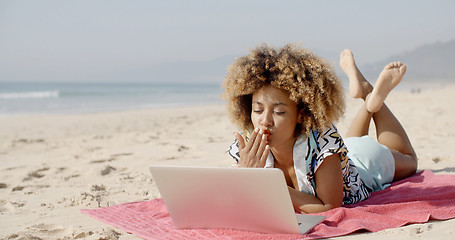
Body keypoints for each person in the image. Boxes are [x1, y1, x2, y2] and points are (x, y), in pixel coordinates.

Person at [222, 44, 417, 214]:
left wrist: (262, 181)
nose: (265, 121)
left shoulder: (323, 145)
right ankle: (367, 98)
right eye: (257, 110)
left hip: (366, 162)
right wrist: (246, 176)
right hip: (345, 155)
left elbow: (330, 207)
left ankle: (369, 94)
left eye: (279, 112)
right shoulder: (248, 146)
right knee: (350, 142)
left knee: (409, 160)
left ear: (301, 114)